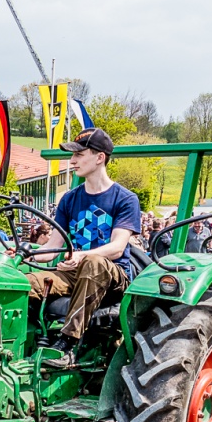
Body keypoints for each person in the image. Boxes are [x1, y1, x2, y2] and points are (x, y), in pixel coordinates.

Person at [24, 128, 139, 365]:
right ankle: (23, 344)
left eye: (79, 154)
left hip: (112, 275)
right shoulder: (69, 198)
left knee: (94, 263)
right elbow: (53, 248)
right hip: (74, 273)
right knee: (22, 283)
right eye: (72, 155)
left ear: (100, 157)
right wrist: (24, 252)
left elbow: (117, 247)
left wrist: (82, 255)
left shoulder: (125, 198)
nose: (72, 161)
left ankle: (68, 344)